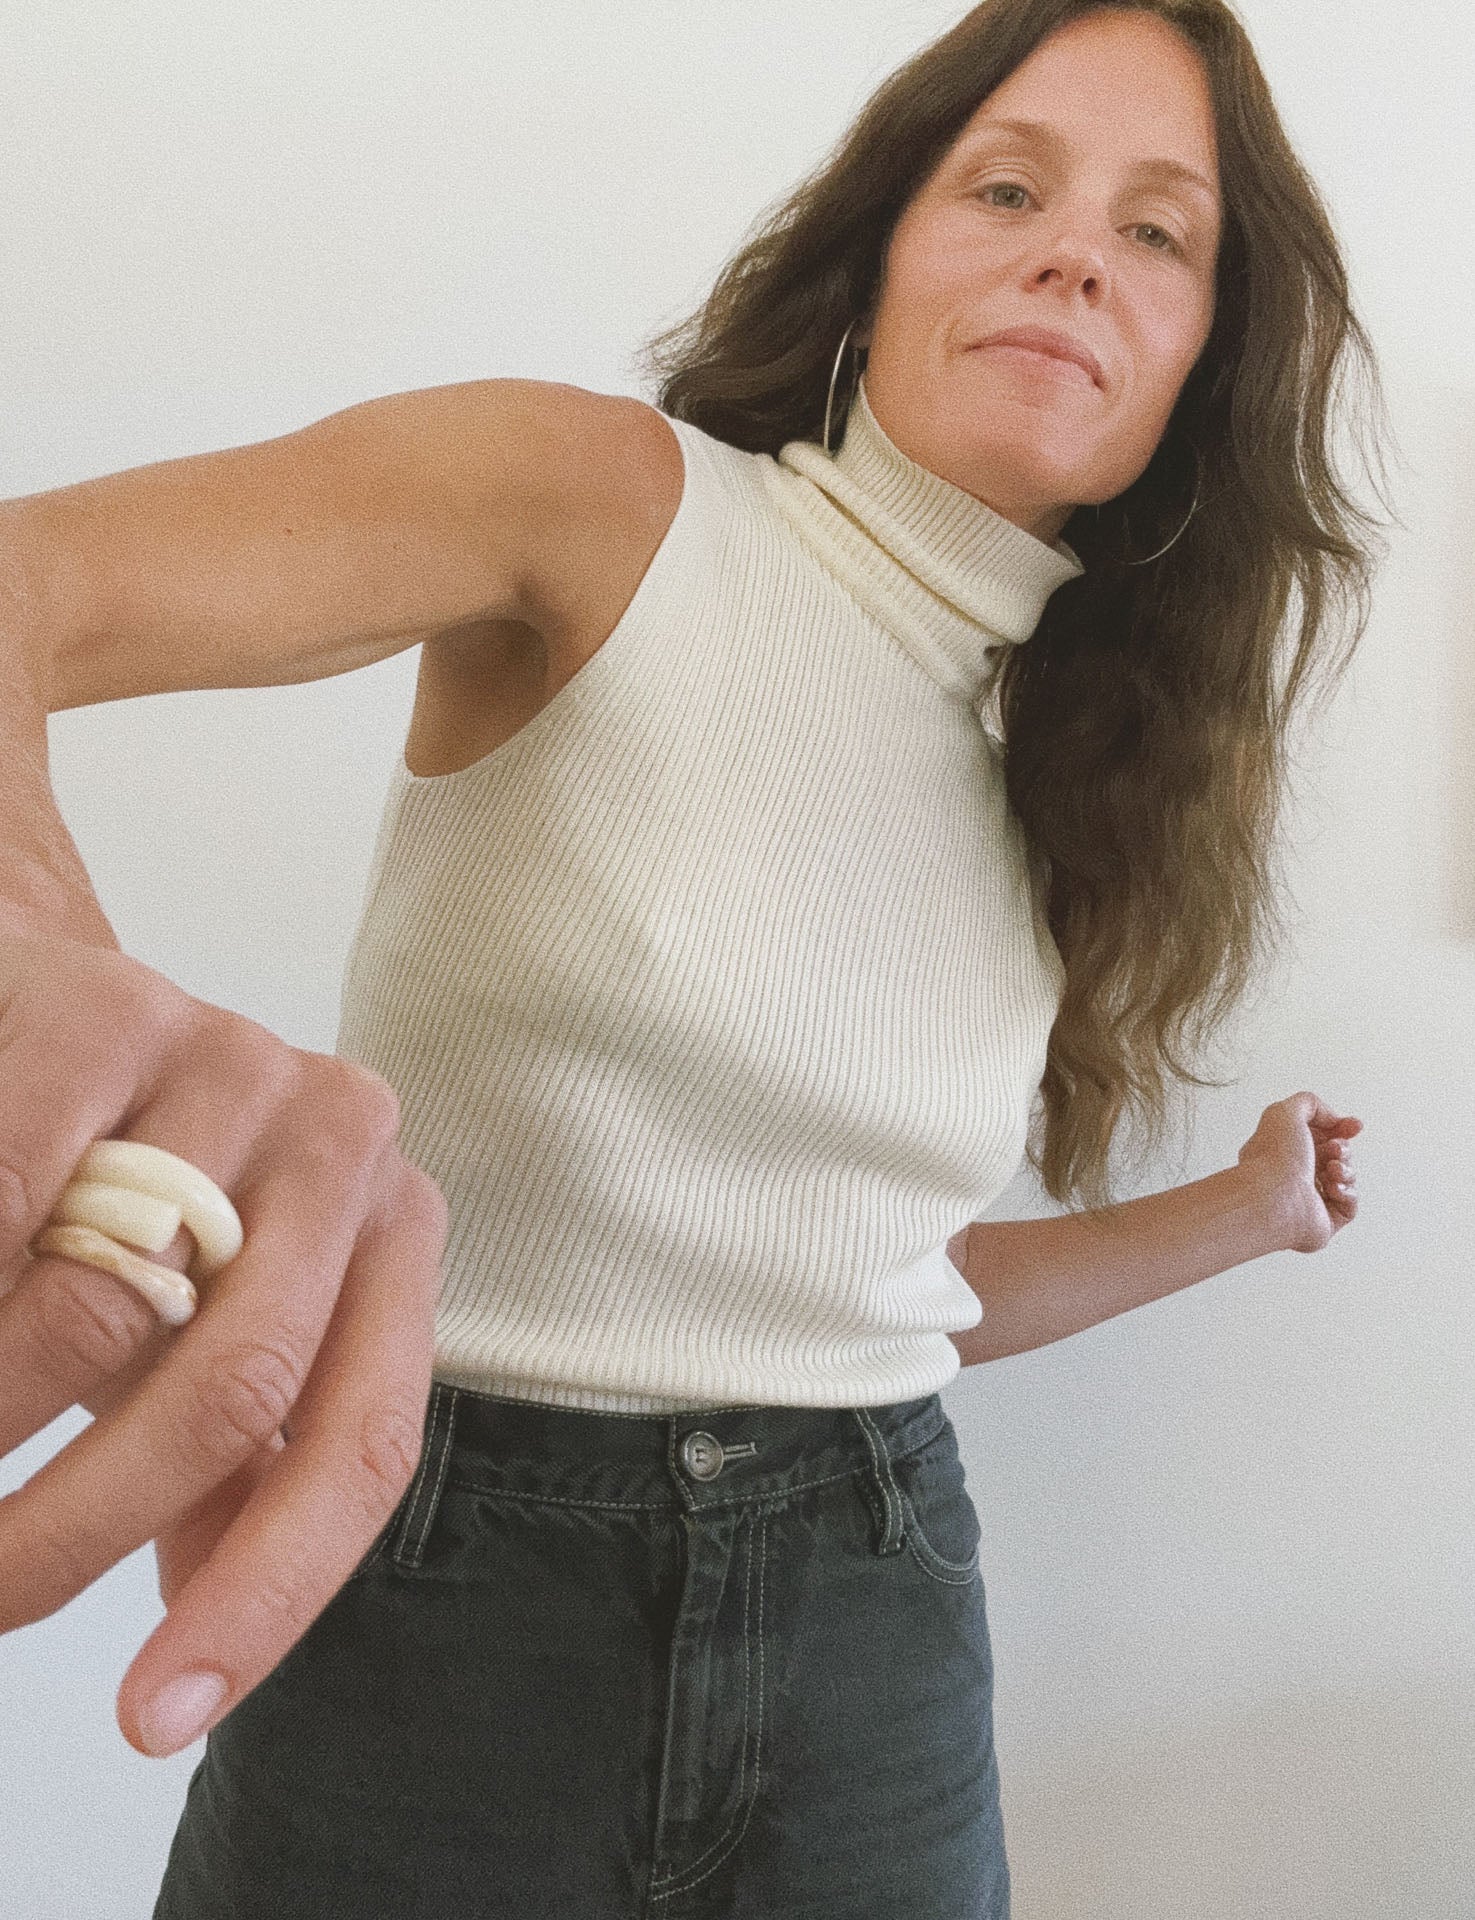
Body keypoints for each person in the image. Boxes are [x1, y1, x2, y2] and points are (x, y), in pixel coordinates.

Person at [0, 1, 1392, 1914]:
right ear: (877, 261)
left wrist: (1244, 1215)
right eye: (1007, 186)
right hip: (436, 1586)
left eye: (1161, 233)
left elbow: (870, 1299)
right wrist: (26, 951)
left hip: (872, 1619)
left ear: (1195, 375)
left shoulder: (1066, 781)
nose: (1077, 248)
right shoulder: (600, 508)